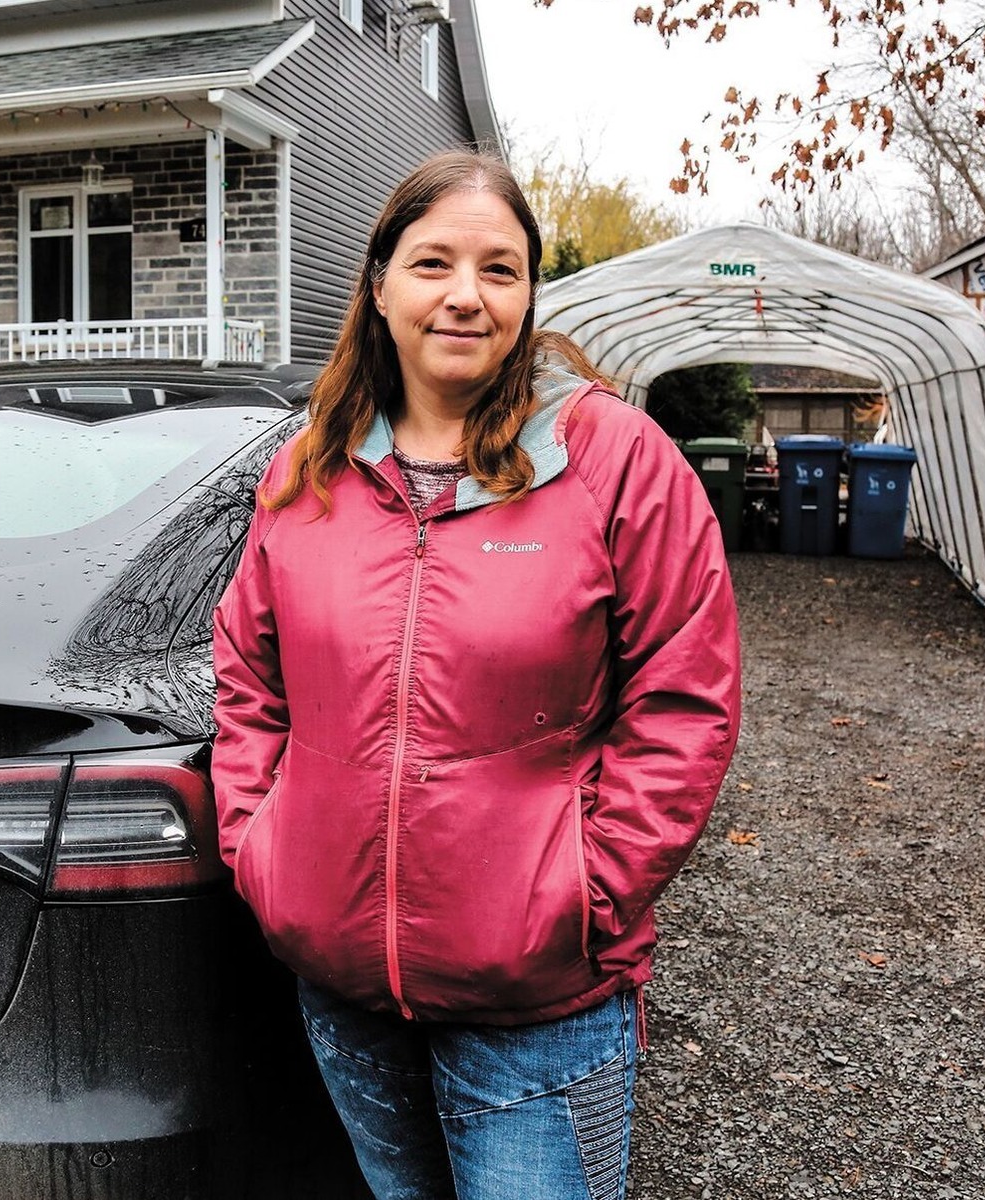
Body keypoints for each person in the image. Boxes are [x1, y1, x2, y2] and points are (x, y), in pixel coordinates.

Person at [210, 150, 741, 1200]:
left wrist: (586, 892)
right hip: (344, 986)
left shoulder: (612, 459)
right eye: (432, 263)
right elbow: (246, 676)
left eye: (498, 270)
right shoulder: (308, 467)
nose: (464, 295)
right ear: (377, 283)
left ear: (528, 295)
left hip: (537, 1004)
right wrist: (263, 848)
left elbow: (683, 696)